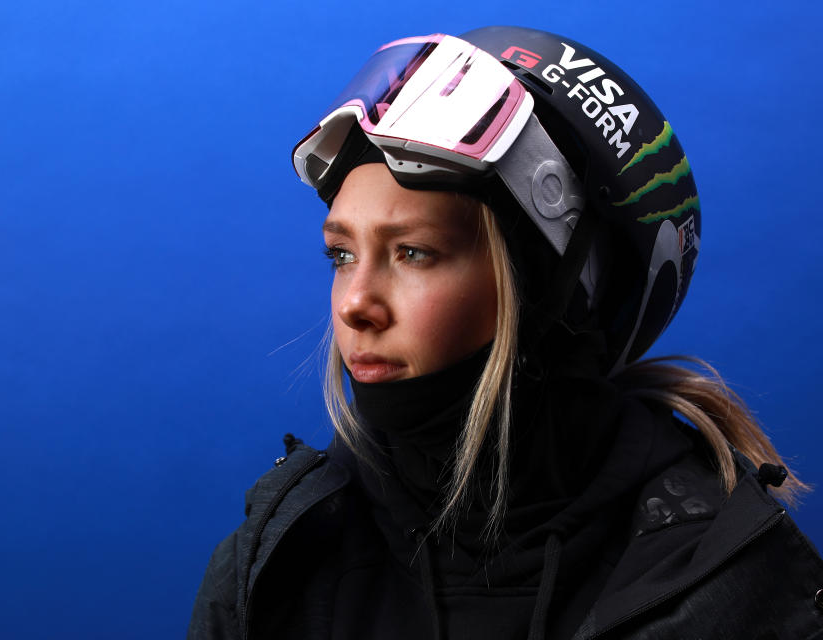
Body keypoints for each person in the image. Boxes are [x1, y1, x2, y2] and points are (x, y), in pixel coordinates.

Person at [189, 26, 823, 639]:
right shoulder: (281, 557)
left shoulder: (720, 578)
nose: (355, 305)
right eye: (342, 255)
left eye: (413, 252)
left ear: (552, 290)